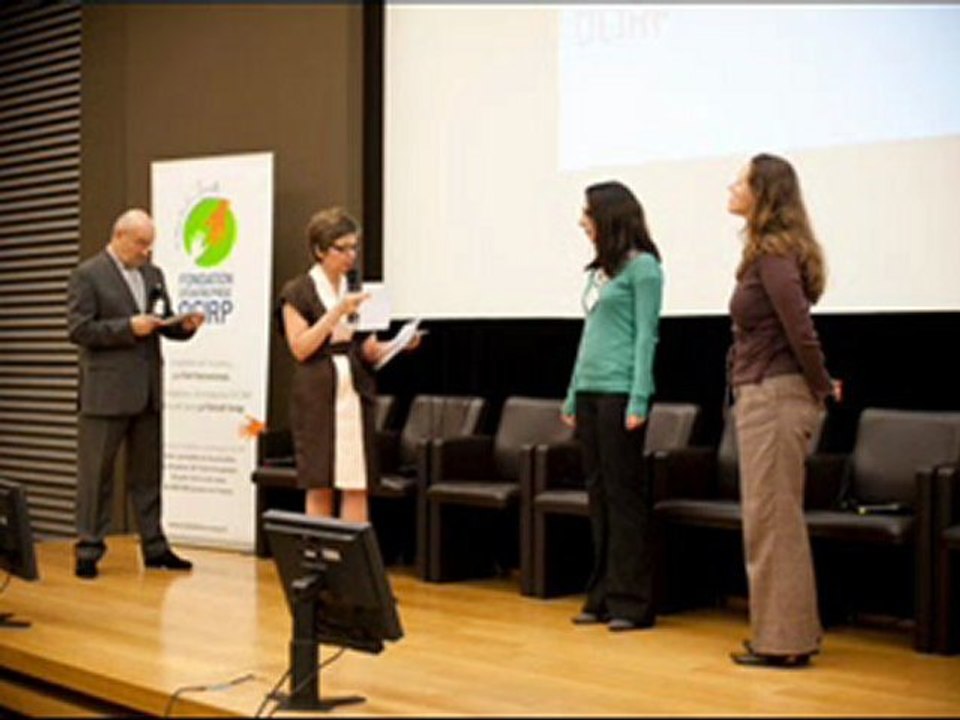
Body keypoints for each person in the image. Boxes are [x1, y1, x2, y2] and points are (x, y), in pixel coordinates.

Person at [725, 153, 840, 668]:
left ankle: (783, 641)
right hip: (767, 393)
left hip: (774, 397)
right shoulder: (771, 253)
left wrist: (820, 388)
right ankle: (788, 634)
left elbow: (800, 331)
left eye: (742, 182)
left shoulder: (773, 255)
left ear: (763, 194)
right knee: (772, 520)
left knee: (772, 521)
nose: (732, 187)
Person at [67, 208, 205, 580]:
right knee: (97, 475)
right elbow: (80, 330)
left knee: (148, 474)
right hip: (105, 392)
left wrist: (185, 327)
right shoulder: (88, 274)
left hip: (146, 391)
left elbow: (160, 321)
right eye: (142, 244)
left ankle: (155, 547)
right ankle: (89, 548)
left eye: (150, 245)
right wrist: (128, 327)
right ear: (120, 236)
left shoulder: (152, 274)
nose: (147, 251)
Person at [562, 181, 664, 632]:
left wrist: (639, 396)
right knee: (598, 495)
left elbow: (647, 336)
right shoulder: (597, 272)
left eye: (588, 214)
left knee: (623, 498)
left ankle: (632, 602)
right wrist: (571, 392)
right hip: (589, 391)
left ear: (609, 217)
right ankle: (601, 593)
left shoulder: (645, 269)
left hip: (621, 391)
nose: (583, 222)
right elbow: (588, 338)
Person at [278, 207, 419, 522]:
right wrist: (336, 312)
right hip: (318, 394)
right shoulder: (297, 291)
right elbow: (300, 348)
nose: (350, 255)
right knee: (321, 482)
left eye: (354, 247)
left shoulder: (355, 288)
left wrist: (394, 345)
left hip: (354, 392)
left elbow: (364, 348)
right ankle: (319, 559)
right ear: (319, 250)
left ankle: (353, 563)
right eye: (342, 249)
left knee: (356, 481)